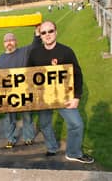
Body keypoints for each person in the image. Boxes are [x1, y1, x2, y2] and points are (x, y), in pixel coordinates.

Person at [27, 20, 94, 163]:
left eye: (50, 31)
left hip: (64, 97)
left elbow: (77, 74)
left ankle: (73, 153)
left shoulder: (66, 51)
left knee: (76, 124)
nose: (47, 35)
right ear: (40, 35)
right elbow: (28, 76)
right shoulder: (34, 53)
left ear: (56, 32)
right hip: (44, 98)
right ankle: (52, 147)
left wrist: (76, 97)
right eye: (43, 32)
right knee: (44, 124)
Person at [0, 29, 41, 148]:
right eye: (6, 41)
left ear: (16, 41)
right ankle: (10, 139)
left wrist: (36, 33)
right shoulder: (0, 58)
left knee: (27, 116)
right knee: (9, 118)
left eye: (11, 40)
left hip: (24, 91)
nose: (9, 43)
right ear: (3, 43)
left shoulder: (24, 51)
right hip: (8, 94)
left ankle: (28, 137)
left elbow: (36, 46)